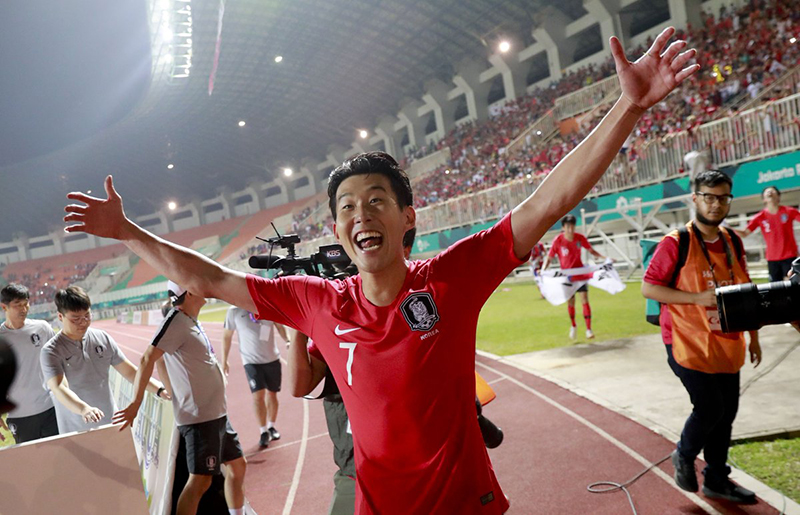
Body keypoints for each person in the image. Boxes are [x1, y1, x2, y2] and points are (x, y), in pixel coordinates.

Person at [64, 27, 698, 514]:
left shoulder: (450, 278)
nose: (360, 215)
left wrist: (628, 107)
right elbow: (208, 279)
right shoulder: (316, 300)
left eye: (375, 201)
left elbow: (545, 204)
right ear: (337, 227)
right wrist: (128, 231)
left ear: (406, 217)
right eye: (346, 207)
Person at [642, 170, 762, 504]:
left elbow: (745, 289)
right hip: (686, 340)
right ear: (695, 199)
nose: (716, 204)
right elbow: (649, 288)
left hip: (727, 340)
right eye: (709, 197)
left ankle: (716, 479)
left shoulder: (732, 240)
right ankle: (684, 454)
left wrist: (754, 336)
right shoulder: (676, 242)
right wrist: (696, 298)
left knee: (727, 414)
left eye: (723, 198)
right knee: (710, 408)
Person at [286, 229, 417, 515]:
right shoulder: (338, 320)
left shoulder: (414, 305)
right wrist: (299, 324)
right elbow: (299, 386)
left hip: (411, 465)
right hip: (354, 467)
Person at [113, 281, 247, 515]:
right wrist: (136, 403)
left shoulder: (190, 320)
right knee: (200, 482)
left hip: (216, 413)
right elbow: (147, 359)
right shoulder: (176, 319)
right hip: (199, 418)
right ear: (190, 292)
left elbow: (166, 361)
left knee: (237, 466)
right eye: (197, 283)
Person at [40, 285, 168, 434]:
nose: (83, 322)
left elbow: (130, 373)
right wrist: (84, 409)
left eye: (87, 315)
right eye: (76, 319)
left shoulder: (102, 338)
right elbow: (59, 388)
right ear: (60, 317)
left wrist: (159, 390)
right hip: (76, 431)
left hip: (112, 424)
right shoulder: (51, 351)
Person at [221, 305, 287, 448]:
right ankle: (263, 431)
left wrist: (287, 340)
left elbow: (279, 325)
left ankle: (271, 426)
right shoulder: (234, 311)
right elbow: (227, 336)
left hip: (272, 359)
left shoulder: (266, 305)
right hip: (251, 362)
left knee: (272, 394)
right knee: (258, 396)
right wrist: (224, 360)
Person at [0, 284, 59, 443]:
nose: (24, 309)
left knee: (59, 454)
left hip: (50, 408)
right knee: (30, 458)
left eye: (26, 304)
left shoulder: (42, 328)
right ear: (4, 307)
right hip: (20, 414)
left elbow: (58, 359)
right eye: (17, 305)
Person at [540, 214, 607, 339]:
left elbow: (591, 251)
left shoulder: (580, 238)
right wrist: (543, 270)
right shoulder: (558, 240)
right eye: (568, 226)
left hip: (579, 273)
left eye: (572, 226)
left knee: (584, 299)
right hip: (567, 276)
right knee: (571, 302)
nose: (570, 229)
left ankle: (588, 329)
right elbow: (549, 257)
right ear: (563, 227)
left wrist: (605, 259)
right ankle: (573, 325)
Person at [736, 186, 800, 281]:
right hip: (772, 258)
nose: (770, 192)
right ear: (764, 199)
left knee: (792, 284)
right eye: (767, 192)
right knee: (775, 286)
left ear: (778, 196)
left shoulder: (789, 211)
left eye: (773, 191)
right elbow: (745, 233)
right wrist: (727, 228)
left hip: (789, 255)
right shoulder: (759, 216)